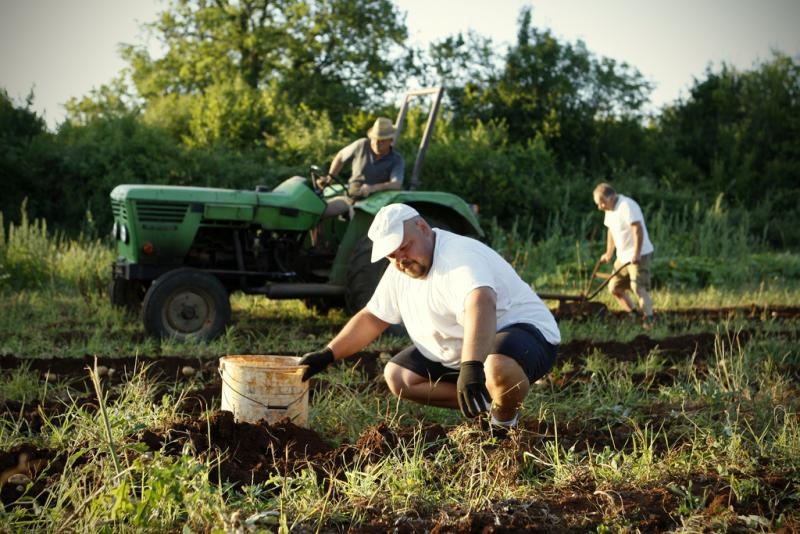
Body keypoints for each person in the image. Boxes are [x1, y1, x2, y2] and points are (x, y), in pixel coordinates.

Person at [299, 203, 561, 431]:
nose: (400, 259)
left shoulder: (458, 256)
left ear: (423, 228)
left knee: (496, 366)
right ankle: (487, 401)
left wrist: (471, 368)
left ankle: (504, 427)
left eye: (405, 247)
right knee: (399, 377)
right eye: (392, 255)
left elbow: (481, 304)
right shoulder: (400, 270)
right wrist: (328, 354)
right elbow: (372, 318)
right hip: (464, 346)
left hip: (524, 332)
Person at [592, 183, 655, 324]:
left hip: (639, 254)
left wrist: (637, 253)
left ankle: (649, 320)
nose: (599, 207)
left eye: (601, 203)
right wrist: (609, 253)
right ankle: (635, 315)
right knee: (615, 288)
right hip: (623, 256)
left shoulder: (627, 205)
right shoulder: (609, 210)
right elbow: (611, 231)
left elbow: (637, 229)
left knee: (637, 287)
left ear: (611, 197)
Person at [317, 117, 405, 218]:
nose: (376, 143)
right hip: (351, 196)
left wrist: (373, 188)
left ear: (390, 140)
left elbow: (396, 184)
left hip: (376, 204)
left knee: (354, 217)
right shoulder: (362, 145)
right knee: (319, 209)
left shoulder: (396, 159)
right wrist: (330, 178)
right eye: (374, 139)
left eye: (381, 140)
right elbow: (340, 157)